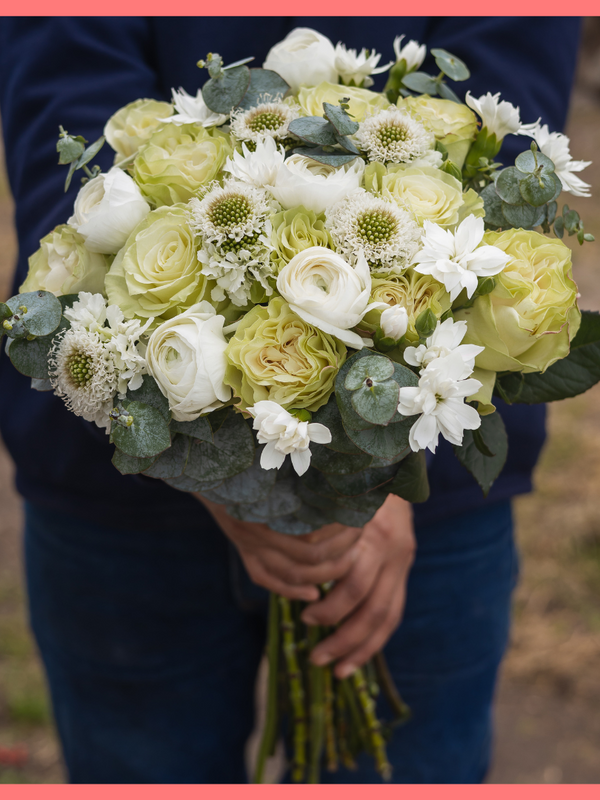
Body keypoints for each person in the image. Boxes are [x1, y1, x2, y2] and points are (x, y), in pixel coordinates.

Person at [0, 17, 582, 783]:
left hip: (425, 488)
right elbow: (64, 81)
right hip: (123, 492)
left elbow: (507, 82)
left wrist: (377, 474)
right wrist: (205, 462)